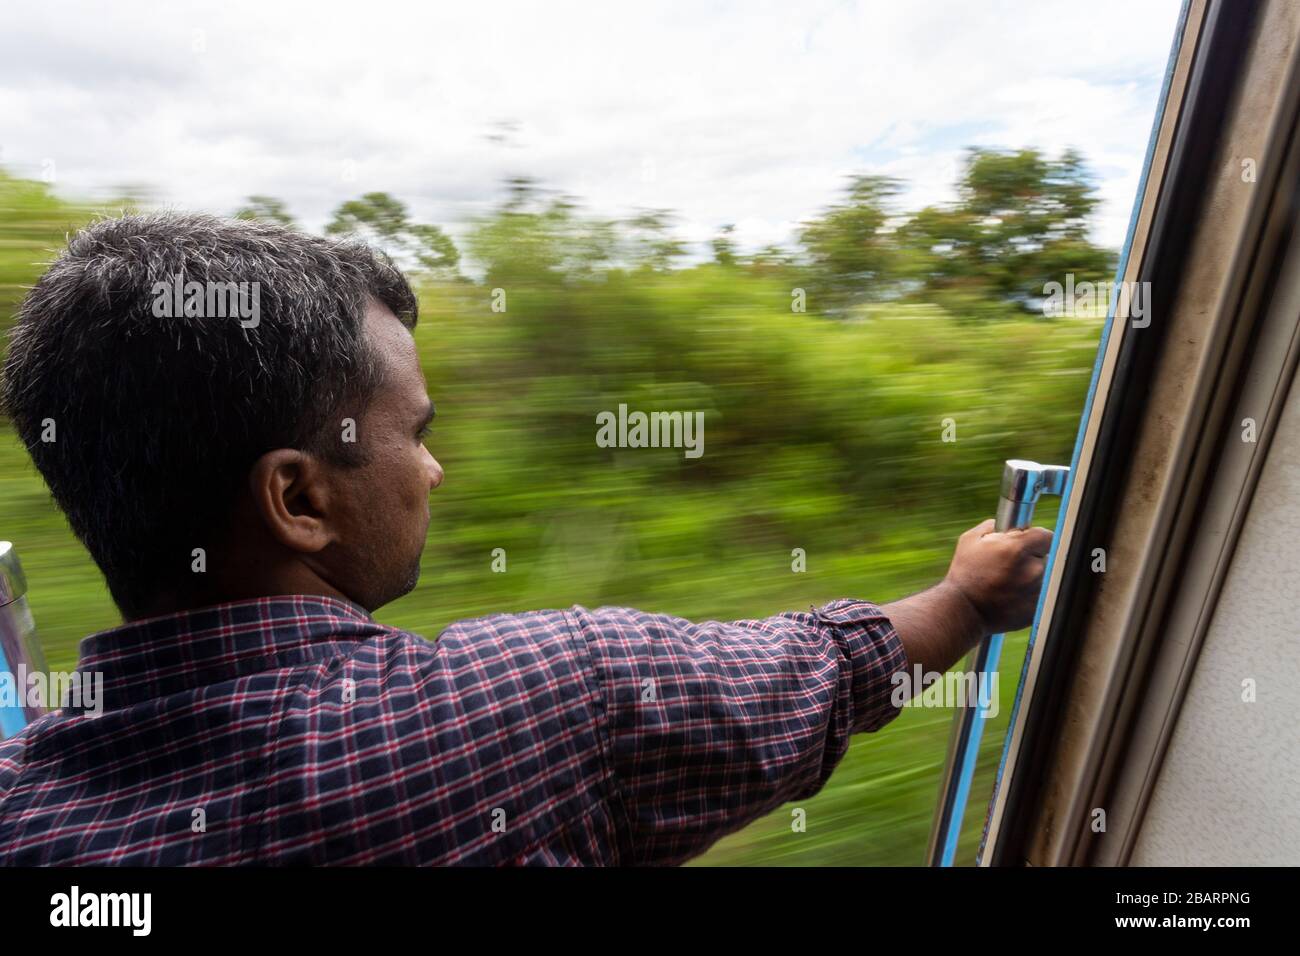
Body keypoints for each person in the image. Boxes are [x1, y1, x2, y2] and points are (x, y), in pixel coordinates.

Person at [0, 213, 1051, 865]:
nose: (434, 468)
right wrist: (964, 598)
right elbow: (807, 673)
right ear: (297, 499)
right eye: (415, 432)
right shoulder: (533, 703)